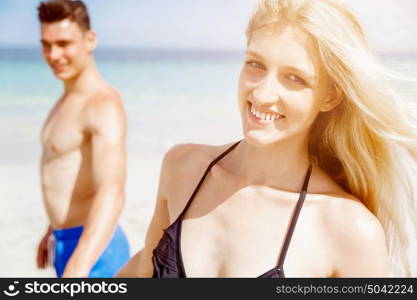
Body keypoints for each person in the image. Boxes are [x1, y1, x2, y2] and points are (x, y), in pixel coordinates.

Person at [118, 0, 417, 277]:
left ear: (330, 96)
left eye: (295, 78)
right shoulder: (182, 167)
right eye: (256, 64)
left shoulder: (349, 230)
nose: (261, 94)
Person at [36, 0, 130, 278]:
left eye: (64, 43)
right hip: (66, 243)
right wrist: (52, 229)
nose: (53, 54)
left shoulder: (102, 104)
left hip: (96, 253)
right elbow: (68, 176)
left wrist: (79, 265)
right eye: (46, 44)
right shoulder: (66, 101)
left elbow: (111, 191)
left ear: (90, 40)